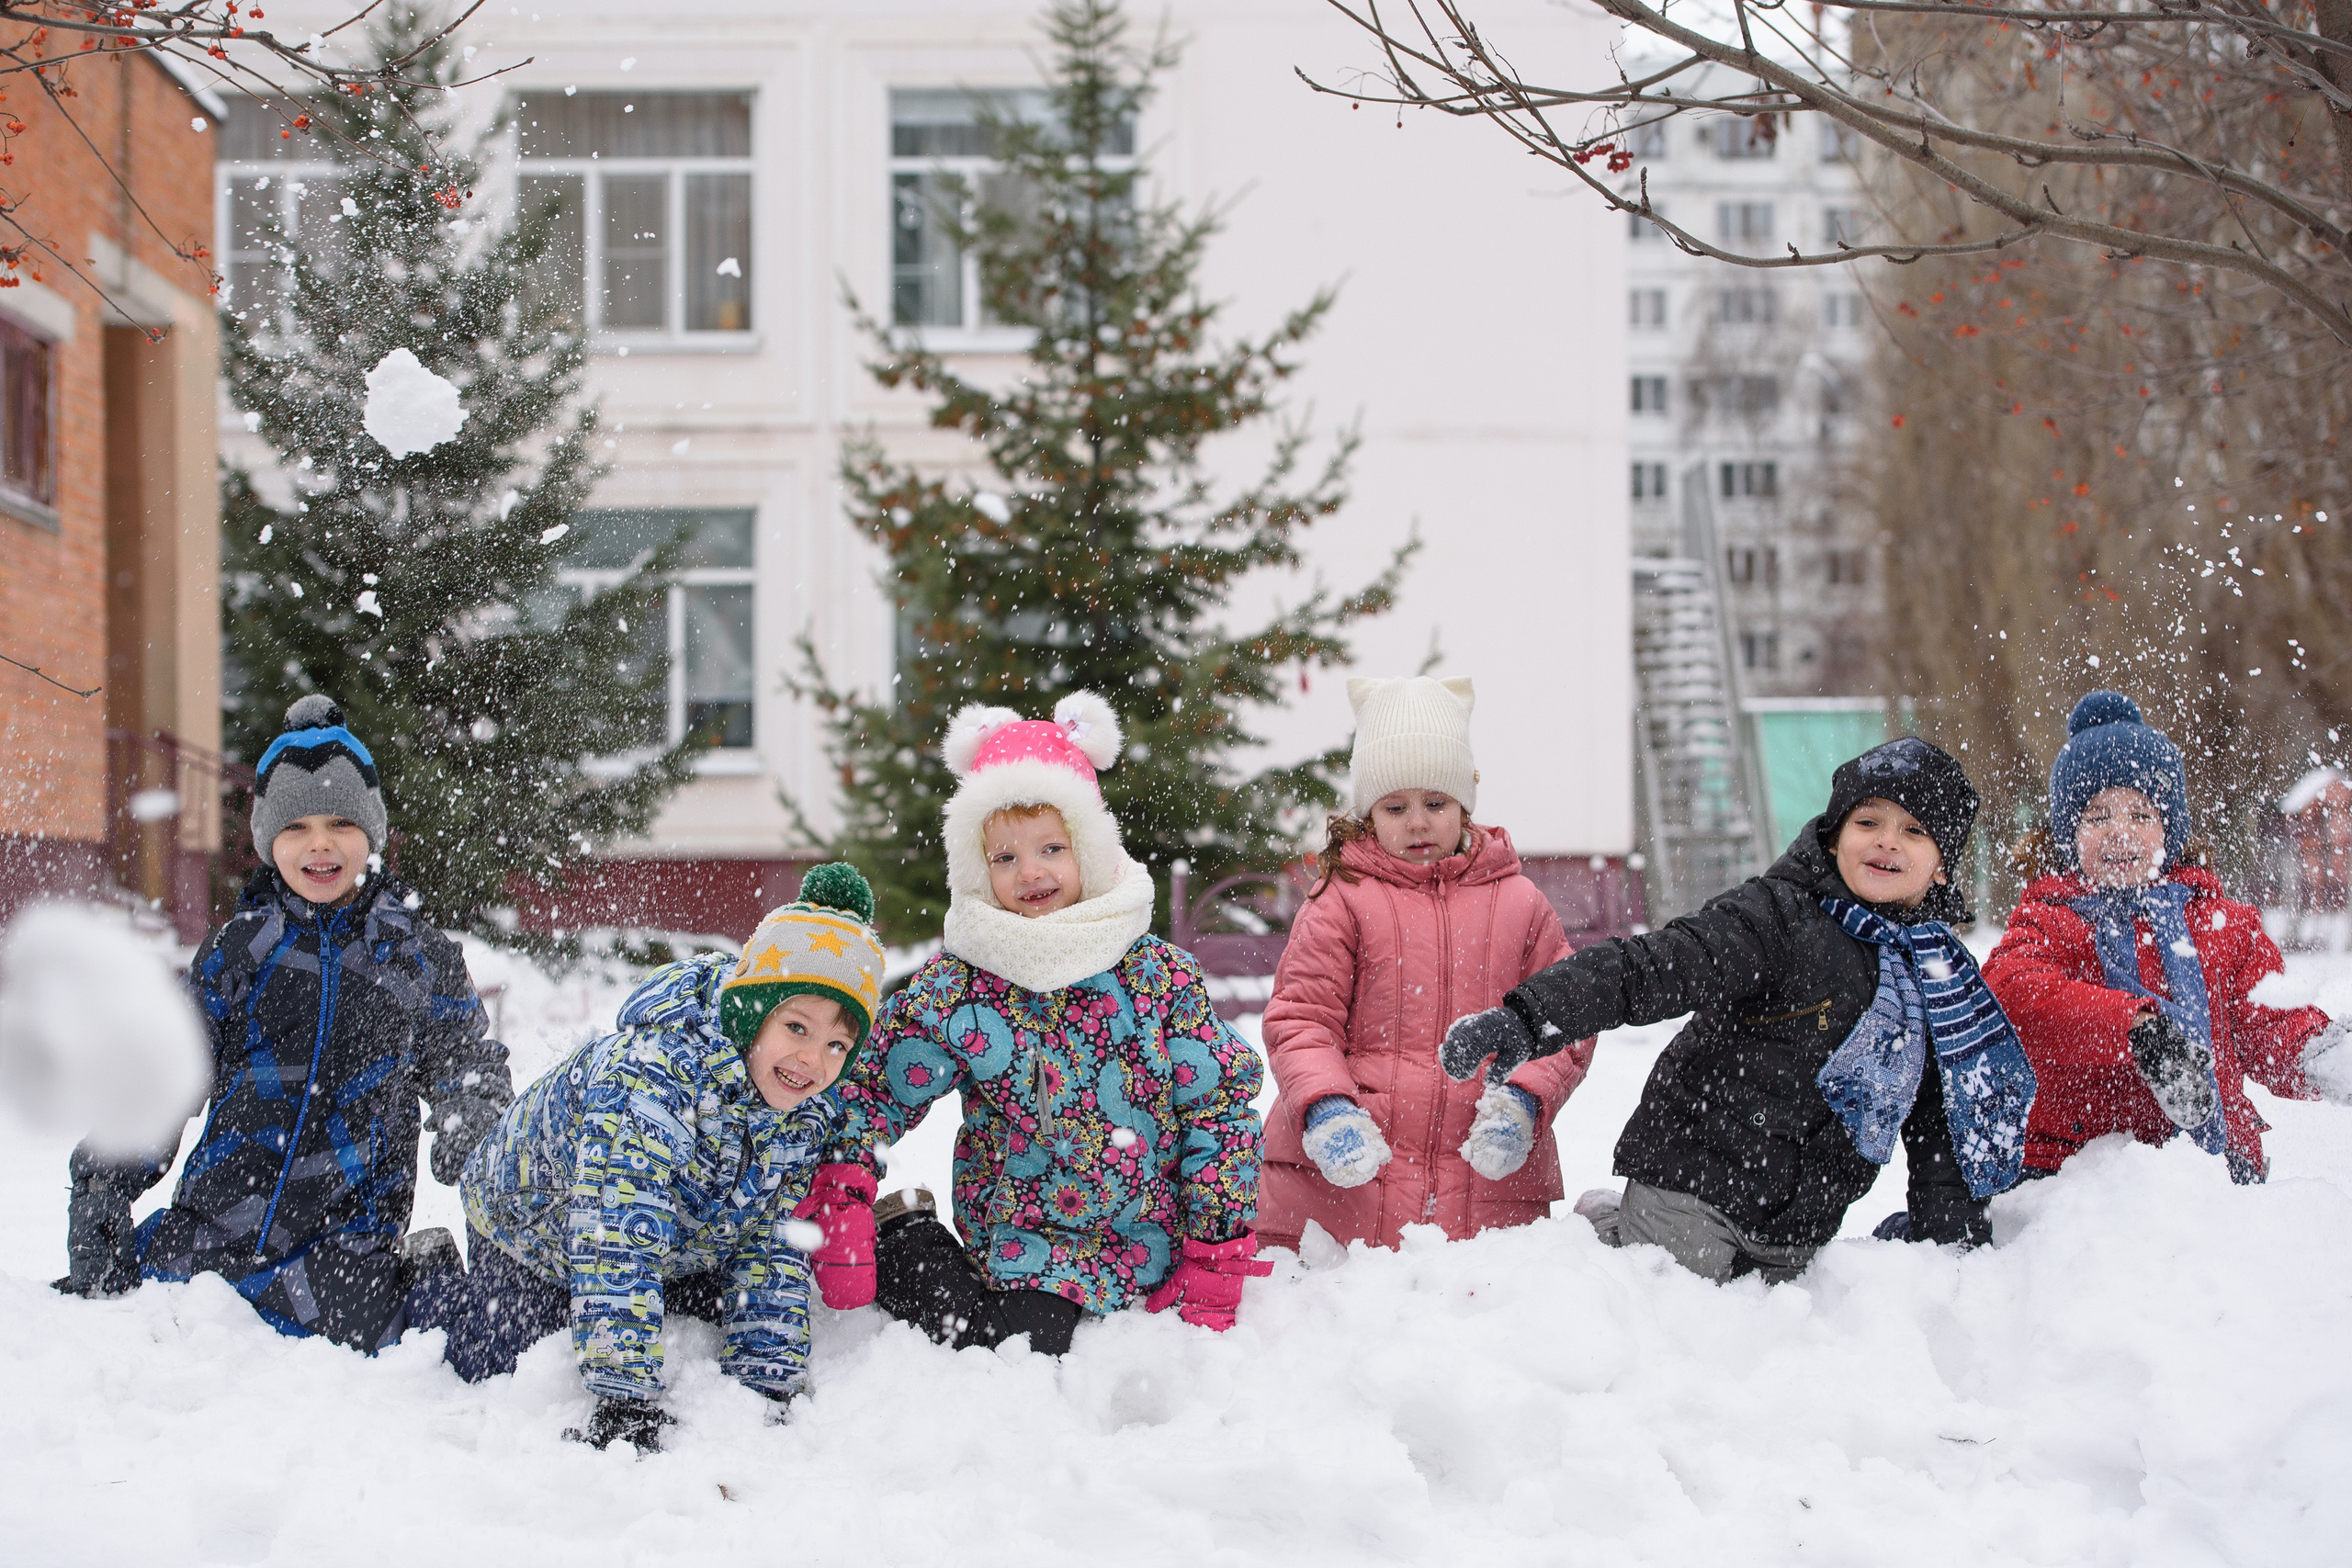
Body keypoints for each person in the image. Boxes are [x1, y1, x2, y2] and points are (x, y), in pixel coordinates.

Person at [1442, 738, 2038, 1282]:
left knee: (1760, 1352)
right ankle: (1608, 1237)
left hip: (1800, 1220)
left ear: (1943, 863)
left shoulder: (1939, 980)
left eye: (1914, 830)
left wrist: (1950, 1240)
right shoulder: (1779, 916)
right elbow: (1655, 965)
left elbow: (1940, 1120)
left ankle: (1625, 1229)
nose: (1886, 839)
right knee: (1671, 1310)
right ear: (1834, 835)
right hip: (1695, 1174)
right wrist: (1529, 1015)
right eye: (1868, 820)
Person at [54, 695, 514, 1351]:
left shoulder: (415, 958)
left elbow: (466, 1059)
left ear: (371, 833)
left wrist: (475, 1115)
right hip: (212, 1236)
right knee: (131, 1316)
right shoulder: (241, 950)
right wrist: (104, 1180)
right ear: (270, 840)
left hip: (341, 1253)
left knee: (438, 1332)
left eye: (339, 823)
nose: (320, 842)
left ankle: (424, 1270)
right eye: (296, 826)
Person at [818, 693, 1270, 1355]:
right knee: (1021, 1349)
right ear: (979, 869)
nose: (1030, 871)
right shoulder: (965, 985)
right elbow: (875, 1083)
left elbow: (1219, 1107)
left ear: (1088, 848)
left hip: (1155, 1243)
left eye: (1051, 847)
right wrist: (845, 1180)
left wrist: (1218, 1250)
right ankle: (905, 1240)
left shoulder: (1156, 975)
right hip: (1028, 1245)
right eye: (1004, 857)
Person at [415, 864, 889, 1453]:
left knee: (706, 1313)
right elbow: (617, 1232)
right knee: (501, 1361)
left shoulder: (805, 1111)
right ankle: (429, 1278)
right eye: (797, 1027)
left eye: (837, 1045)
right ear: (750, 1014)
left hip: (676, 1233)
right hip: (533, 1225)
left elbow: (773, 1240)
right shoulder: (652, 1079)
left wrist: (768, 1385)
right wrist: (624, 1400)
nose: (812, 1060)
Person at [1256, 676, 1592, 1252]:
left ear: (1464, 804)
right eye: (1395, 806)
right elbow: (1302, 1019)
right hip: (1347, 1196)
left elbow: (1565, 1019)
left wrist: (1523, 1099)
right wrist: (1327, 1108)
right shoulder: (1342, 898)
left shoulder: (1520, 904)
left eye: (1435, 803)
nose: (1417, 822)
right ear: (1369, 814)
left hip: (1485, 1192)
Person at [1983, 692, 2348, 1184]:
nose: (2120, 832)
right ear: (2067, 833)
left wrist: (2318, 1053)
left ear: (2169, 828)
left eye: (2140, 814)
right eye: (2096, 816)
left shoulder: (2221, 925)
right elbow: (2012, 995)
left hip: (2213, 1171)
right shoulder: (2053, 920)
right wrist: (2134, 1029)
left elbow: (2264, 1020)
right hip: (2081, 1178)